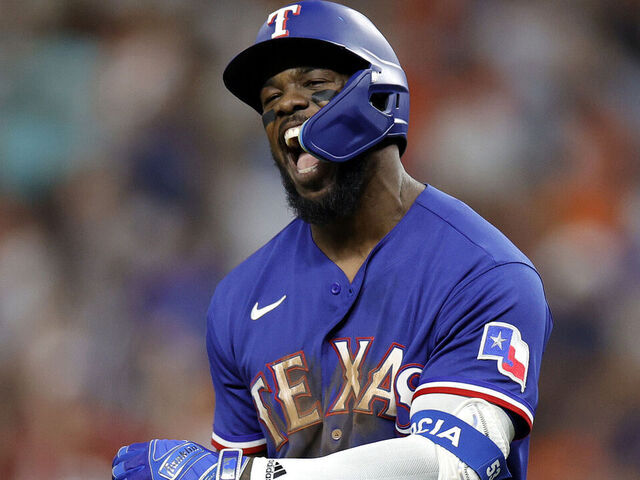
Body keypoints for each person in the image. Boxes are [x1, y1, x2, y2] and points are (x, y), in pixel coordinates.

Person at [112, 1, 552, 480]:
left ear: (381, 96)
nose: (285, 105)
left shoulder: (482, 272)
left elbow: (452, 464)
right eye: (270, 98)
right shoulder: (239, 300)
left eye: (315, 85)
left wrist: (236, 477)